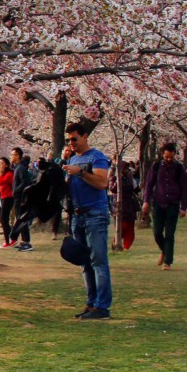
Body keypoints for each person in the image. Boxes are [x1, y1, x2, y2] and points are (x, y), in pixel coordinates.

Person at [62, 121, 112, 319]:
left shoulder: (97, 157)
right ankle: (91, 303)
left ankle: (102, 307)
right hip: (77, 215)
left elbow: (102, 183)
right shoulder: (72, 159)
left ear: (84, 137)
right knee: (85, 262)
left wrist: (81, 173)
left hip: (95, 214)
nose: (71, 143)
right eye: (68, 140)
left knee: (98, 260)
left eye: (74, 138)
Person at [143, 142, 187, 270]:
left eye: (171, 157)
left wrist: (184, 207)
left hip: (173, 204)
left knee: (169, 234)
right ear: (162, 154)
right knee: (157, 233)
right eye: (166, 157)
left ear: (174, 155)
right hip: (158, 203)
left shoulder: (179, 168)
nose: (169, 159)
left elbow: (185, 188)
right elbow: (149, 184)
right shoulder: (156, 166)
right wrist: (146, 201)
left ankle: (167, 262)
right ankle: (165, 251)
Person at [8, 147, 36, 251]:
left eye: (12, 154)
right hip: (18, 197)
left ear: (17, 156)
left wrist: (16, 191)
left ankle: (27, 242)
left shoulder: (20, 168)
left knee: (22, 219)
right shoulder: (18, 167)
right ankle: (24, 240)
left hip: (20, 198)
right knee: (20, 219)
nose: (11, 156)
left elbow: (25, 182)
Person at [0, 157, 16, 246]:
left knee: (3, 218)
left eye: (2, 163)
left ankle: (9, 239)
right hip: (4, 196)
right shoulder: (3, 174)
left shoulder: (9, 174)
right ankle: (10, 237)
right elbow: (2, 186)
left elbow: (0, 182)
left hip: (9, 198)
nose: (0, 165)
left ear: (6, 165)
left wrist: (0, 173)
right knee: (3, 219)